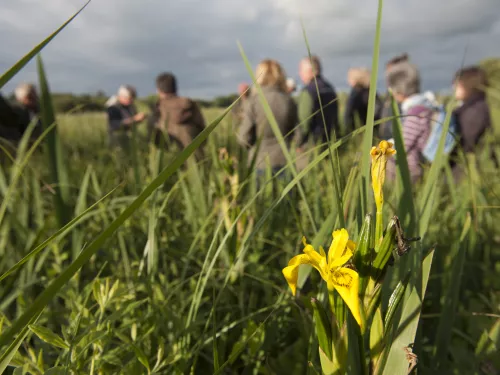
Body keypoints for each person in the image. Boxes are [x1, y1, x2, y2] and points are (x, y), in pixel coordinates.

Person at [237, 59, 299, 176]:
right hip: (285, 161)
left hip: (260, 163)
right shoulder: (289, 101)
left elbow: (243, 138)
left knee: (263, 194)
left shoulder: (253, 102)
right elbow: (298, 135)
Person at [386, 61, 438, 182]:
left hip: (411, 168)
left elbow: (404, 145)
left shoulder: (415, 114)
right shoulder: (425, 105)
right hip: (419, 163)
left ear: (398, 92)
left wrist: (383, 148)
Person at [149, 72, 206, 158]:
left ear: (158, 90)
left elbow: (151, 134)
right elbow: (202, 127)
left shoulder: (157, 107)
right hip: (194, 153)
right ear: (175, 87)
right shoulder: (189, 104)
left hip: (168, 157)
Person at [296, 55, 339, 145]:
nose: (299, 73)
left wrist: (299, 142)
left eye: (301, 70)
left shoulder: (308, 91)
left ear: (310, 71)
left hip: (313, 145)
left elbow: (304, 122)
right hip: (331, 142)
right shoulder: (330, 88)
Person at [452, 66, 491, 154]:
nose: (453, 87)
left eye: (456, 84)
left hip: (468, 164)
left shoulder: (475, 111)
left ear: (467, 85)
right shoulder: (474, 106)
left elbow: (466, 145)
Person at [378, 53, 410, 140]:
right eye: (387, 73)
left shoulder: (406, 99)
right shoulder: (389, 95)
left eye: (391, 74)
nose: (387, 77)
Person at [106, 85, 145, 150]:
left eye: (133, 98)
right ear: (121, 97)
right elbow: (114, 124)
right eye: (129, 98)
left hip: (129, 139)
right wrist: (134, 119)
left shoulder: (130, 106)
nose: (132, 100)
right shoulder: (113, 108)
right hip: (117, 140)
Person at [344, 67, 381, 134]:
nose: (347, 80)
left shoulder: (356, 94)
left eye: (349, 78)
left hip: (360, 130)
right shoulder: (371, 92)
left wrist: (348, 130)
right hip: (373, 130)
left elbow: (349, 115)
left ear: (355, 80)